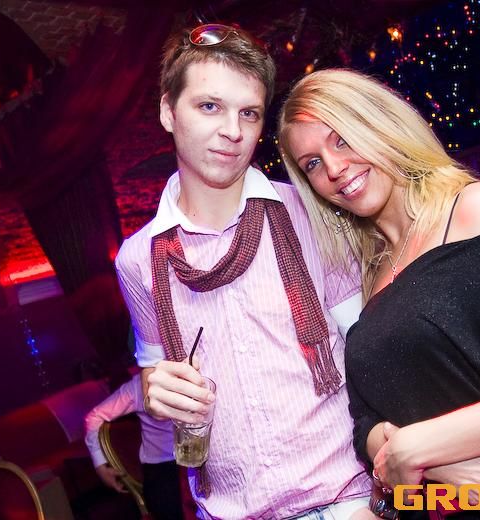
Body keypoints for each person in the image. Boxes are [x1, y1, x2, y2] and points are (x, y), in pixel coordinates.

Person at [278, 68, 480, 517]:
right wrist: (436, 462)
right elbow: (366, 421)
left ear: (380, 125)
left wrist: (419, 447)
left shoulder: (473, 208)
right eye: (312, 164)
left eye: (342, 139)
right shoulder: (368, 269)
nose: (334, 169)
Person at [115, 25, 375, 519]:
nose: (233, 131)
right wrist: (155, 390)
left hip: (349, 497)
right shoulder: (137, 260)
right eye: (209, 106)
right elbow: (155, 372)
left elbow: (369, 345)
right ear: (168, 111)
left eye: (249, 113)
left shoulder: (311, 211)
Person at [84, 373, 183, 520]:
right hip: (164, 474)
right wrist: (100, 465)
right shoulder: (140, 385)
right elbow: (94, 417)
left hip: (199, 464)